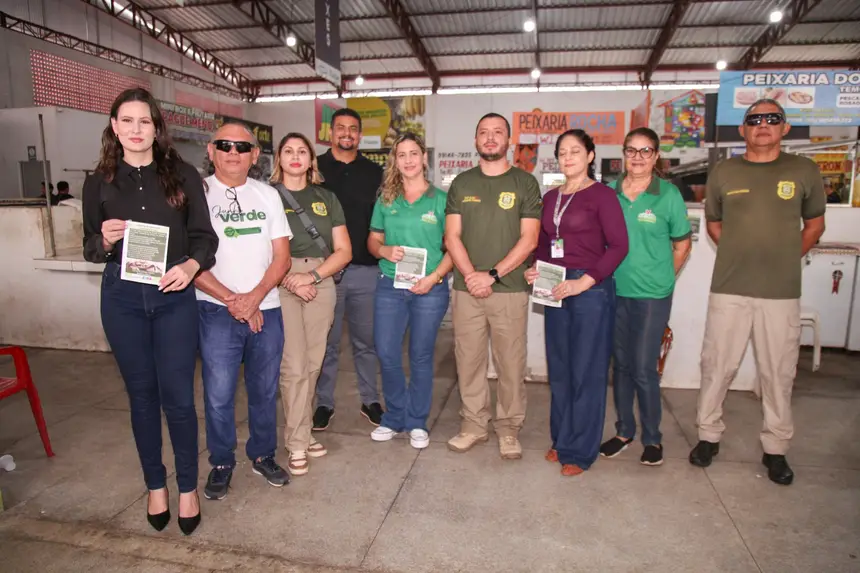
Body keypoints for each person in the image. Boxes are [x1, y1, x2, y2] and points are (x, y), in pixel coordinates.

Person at [82, 87, 217, 535]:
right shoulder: (98, 181)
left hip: (173, 297)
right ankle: (155, 484)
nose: (137, 129)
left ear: (156, 127)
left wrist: (191, 265)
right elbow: (89, 248)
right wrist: (103, 240)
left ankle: (187, 489)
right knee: (142, 398)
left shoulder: (182, 174)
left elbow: (204, 238)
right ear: (115, 127)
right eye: (128, 121)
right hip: (122, 299)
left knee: (179, 399)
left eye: (145, 121)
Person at [690, 99, 826, 485]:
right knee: (717, 366)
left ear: (785, 127)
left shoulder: (804, 170)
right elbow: (715, 225)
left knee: (778, 373)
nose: (763, 125)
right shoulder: (725, 171)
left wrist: (784, 258)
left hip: (780, 293)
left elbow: (814, 226)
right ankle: (708, 437)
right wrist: (739, 254)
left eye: (772, 119)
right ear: (742, 129)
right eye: (754, 119)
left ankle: (776, 449)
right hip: (729, 288)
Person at [194, 121, 293, 500]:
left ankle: (263, 455)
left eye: (241, 146)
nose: (233, 152)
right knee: (218, 394)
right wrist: (235, 301)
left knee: (265, 391)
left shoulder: (268, 195)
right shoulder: (195, 194)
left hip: (266, 309)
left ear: (255, 155)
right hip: (215, 311)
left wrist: (254, 298)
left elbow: (281, 257)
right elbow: (189, 260)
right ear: (211, 150)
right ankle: (221, 462)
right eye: (225, 145)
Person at [524, 129, 628, 476]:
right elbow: (544, 242)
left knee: (588, 371)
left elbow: (618, 246)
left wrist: (584, 282)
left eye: (575, 151)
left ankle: (581, 451)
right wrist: (536, 269)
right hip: (555, 287)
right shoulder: (551, 197)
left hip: (590, 290)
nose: (568, 158)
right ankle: (561, 439)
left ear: (590, 156)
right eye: (562, 152)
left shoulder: (603, 196)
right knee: (562, 368)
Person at [445, 113, 542, 460]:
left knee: (510, 364)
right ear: (475, 141)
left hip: (510, 289)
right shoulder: (462, 183)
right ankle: (473, 425)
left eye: (497, 132)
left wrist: (492, 275)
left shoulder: (525, 183)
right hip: (465, 289)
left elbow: (529, 239)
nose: (490, 138)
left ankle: (509, 429)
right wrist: (472, 275)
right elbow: (451, 236)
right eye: (483, 132)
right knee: (468, 361)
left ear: (508, 141)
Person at [599, 127, 692, 467]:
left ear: (655, 156)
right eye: (632, 150)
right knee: (620, 366)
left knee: (642, 367)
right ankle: (624, 431)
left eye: (645, 151)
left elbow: (682, 244)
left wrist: (666, 278)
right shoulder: (609, 193)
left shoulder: (667, 195)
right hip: (614, 291)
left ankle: (652, 438)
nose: (637, 157)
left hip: (653, 295)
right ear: (623, 154)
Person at [270, 133, 352, 476]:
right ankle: (297, 442)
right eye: (288, 151)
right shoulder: (266, 196)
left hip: (319, 279)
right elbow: (258, 246)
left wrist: (313, 277)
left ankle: (301, 432)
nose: (295, 156)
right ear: (279, 158)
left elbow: (344, 251)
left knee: (314, 363)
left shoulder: (326, 197)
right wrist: (288, 277)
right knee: (293, 365)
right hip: (279, 279)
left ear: (311, 160)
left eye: (302, 151)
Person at [367, 134, 453, 449]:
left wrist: (434, 277)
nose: (408, 160)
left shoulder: (441, 200)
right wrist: (384, 250)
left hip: (430, 288)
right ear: (395, 161)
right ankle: (394, 416)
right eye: (401, 154)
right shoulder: (386, 199)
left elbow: (455, 248)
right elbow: (372, 242)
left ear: (424, 158)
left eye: (413, 153)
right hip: (390, 285)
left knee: (420, 355)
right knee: (387, 352)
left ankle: (417, 421)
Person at [313, 108, 384, 431]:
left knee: (366, 342)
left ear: (360, 134)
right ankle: (323, 404)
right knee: (325, 343)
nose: (346, 133)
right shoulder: (315, 167)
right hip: (323, 271)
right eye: (340, 128)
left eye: (353, 129)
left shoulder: (374, 172)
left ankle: (370, 400)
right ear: (331, 132)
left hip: (365, 270)